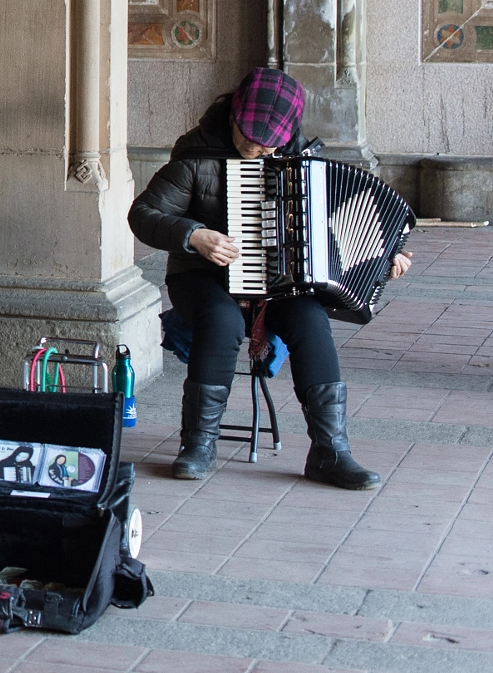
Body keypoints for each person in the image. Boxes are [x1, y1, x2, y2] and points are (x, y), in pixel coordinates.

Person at [127, 68, 412, 488]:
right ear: (233, 115)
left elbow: (345, 226)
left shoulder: (305, 164)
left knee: (312, 323)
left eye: (268, 140)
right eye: (247, 134)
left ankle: (330, 451)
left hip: (280, 285)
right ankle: (199, 444)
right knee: (222, 321)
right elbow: (143, 215)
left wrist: (389, 255)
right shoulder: (196, 155)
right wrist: (194, 235)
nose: (256, 147)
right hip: (203, 279)